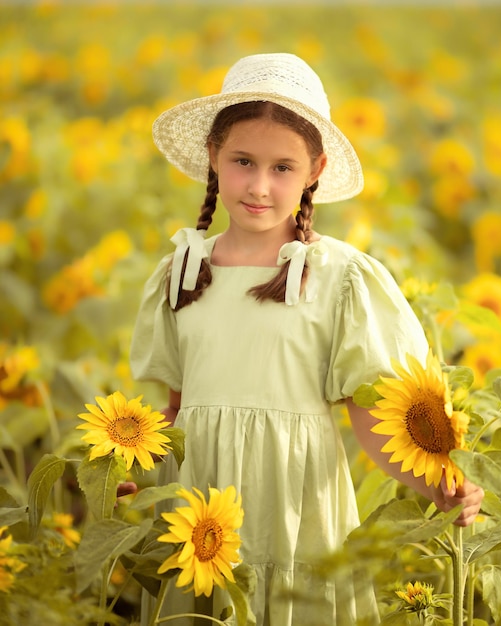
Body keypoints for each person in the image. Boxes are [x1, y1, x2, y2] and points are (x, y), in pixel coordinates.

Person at [129, 52, 483, 626]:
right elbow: (175, 411)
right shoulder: (183, 271)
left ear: (314, 169)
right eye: (243, 160)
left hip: (297, 504)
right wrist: (138, 477)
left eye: (283, 167)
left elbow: (372, 416)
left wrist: (440, 483)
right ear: (214, 157)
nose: (260, 186)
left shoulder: (340, 277)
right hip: (196, 517)